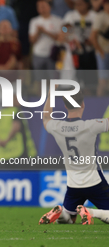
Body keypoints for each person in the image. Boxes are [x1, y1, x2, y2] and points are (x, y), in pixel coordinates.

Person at [39, 89, 109, 225]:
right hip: (94, 182)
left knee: (69, 220)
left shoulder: (57, 127)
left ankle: (62, 214)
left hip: (73, 185)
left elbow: (46, 118)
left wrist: (50, 95)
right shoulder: (90, 125)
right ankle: (91, 212)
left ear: (65, 106)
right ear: (83, 104)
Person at [29, 0, 62, 71]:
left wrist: (45, 32)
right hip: (38, 54)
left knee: (52, 79)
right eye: (39, 7)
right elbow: (32, 40)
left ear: (49, 7)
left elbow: (60, 38)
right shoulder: (34, 21)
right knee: (39, 80)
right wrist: (38, 32)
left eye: (43, 6)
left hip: (52, 54)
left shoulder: (58, 20)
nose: (42, 9)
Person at [90, 0, 109, 96]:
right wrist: (100, 52)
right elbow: (93, 37)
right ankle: (99, 105)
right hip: (103, 52)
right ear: (104, 4)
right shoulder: (100, 16)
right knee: (103, 81)